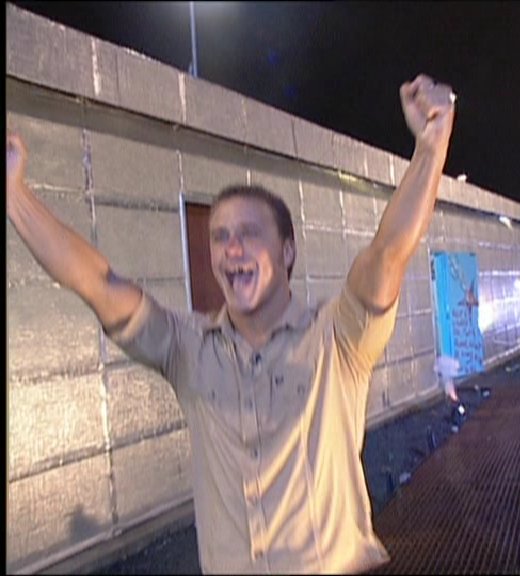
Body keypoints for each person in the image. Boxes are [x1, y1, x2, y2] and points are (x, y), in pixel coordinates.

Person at [6, 73, 455, 574]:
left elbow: (388, 253)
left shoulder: (337, 337)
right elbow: (96, 282)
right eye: (219, 236)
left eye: (249, 233)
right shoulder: (186, 347)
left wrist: (431, 145)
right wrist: (13, 193)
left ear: (287, 251)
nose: (231, 248)